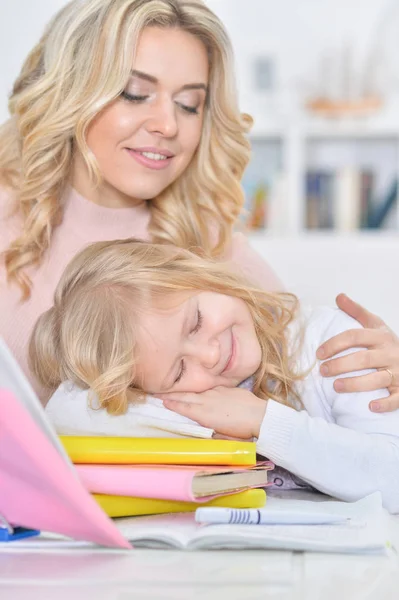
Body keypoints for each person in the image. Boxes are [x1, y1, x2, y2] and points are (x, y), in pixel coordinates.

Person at [0, 0, 398, 408]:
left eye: (189, 104)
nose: (168, 125)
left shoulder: (211, 249)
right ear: (70, 92)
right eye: (135, 95)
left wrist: (382, 370)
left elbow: (302, 384)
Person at [29, 238, 399, 512]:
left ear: (204, 275)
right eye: (178, 371)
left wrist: (264, 421)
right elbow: (68, 413)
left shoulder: (337, 346)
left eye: (196, 322)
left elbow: (393, 479)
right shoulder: (192, 409)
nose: (210, 354)